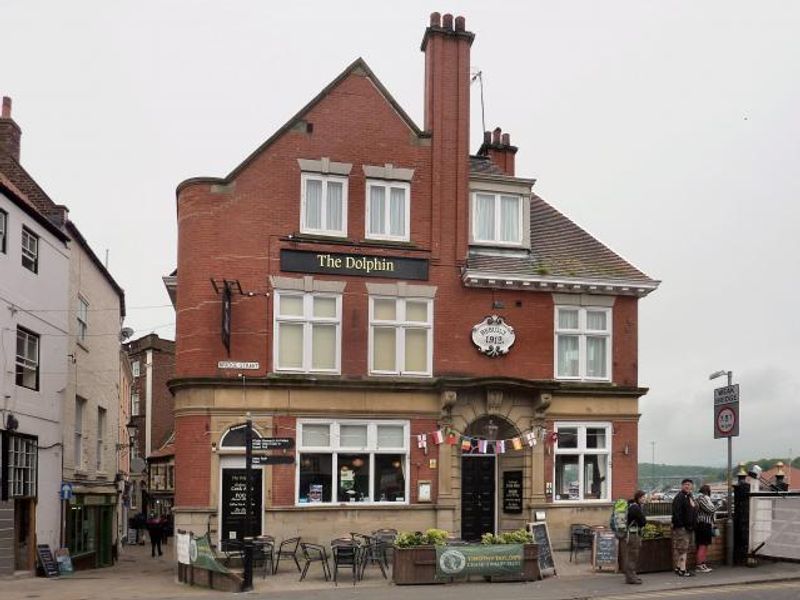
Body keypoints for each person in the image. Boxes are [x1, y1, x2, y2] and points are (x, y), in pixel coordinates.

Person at [671, 478, 697, 577]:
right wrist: (682, 525)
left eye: (689, 484)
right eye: (685, 484)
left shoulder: (689, 496)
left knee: (683, 548)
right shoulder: (680, 497)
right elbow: (676, 513)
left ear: (692, 486)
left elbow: (693, 510)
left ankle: (678, 568)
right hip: (682, 528)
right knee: (683, 549)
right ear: (682, 486)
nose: (687, 486)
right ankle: (683, 570)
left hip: (688, 527)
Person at [623, 490, 647, 584]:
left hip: (631, 534)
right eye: (643, 498)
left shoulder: (631, 506)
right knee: (633, 556)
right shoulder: (635, 508)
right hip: (633, 535)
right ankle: (631, 578)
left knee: (631, 555)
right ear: (638, 498)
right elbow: (643, 521)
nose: (644, 499)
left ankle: (631, 575)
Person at [695, 484, 716, 573]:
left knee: (705, 545)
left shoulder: (704, 498)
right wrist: (717, 505)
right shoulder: (701, 498)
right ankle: (699, 565)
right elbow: (711, 510)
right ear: (707, 491)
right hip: (702, 524)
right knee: (702, 545)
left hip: (706, 524)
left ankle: (703, 564)